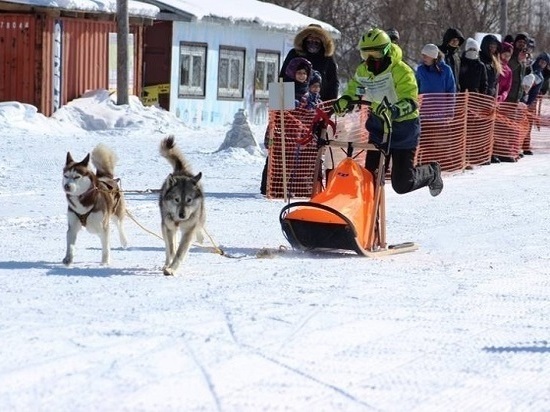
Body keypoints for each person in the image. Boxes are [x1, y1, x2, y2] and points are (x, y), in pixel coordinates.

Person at [332, 28, 443, 197]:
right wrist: (346, 99)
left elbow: (411, 101)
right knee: (370, 180)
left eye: (374, 54)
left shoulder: (401, 70)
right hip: (378, 128)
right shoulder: (363, 70)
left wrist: (394, 110)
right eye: (365, 54)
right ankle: (370, 220)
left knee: (402, 184)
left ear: (385, 50)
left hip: (403, 130)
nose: (370, 59)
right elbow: (355, 89)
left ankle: (432, 171)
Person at [279, 24, 339, 101]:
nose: (313, 41)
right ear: (304, 39)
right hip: (294, 104)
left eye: (317, 38)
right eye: (310, 38)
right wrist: (278, 104)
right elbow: (283, 77)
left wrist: (331, 106)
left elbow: (333, 83)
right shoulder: (294, 54)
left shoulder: (327, 58)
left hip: (319, 105)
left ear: (322, 41)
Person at [505, 32, 530, 103]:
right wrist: (518, 60)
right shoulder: (510, 54)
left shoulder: (525, 56)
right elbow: (507, 69)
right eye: (519, 41)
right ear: (515, 43)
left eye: (524, 42)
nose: (521, 44)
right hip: (508, 94)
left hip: (518, 97)